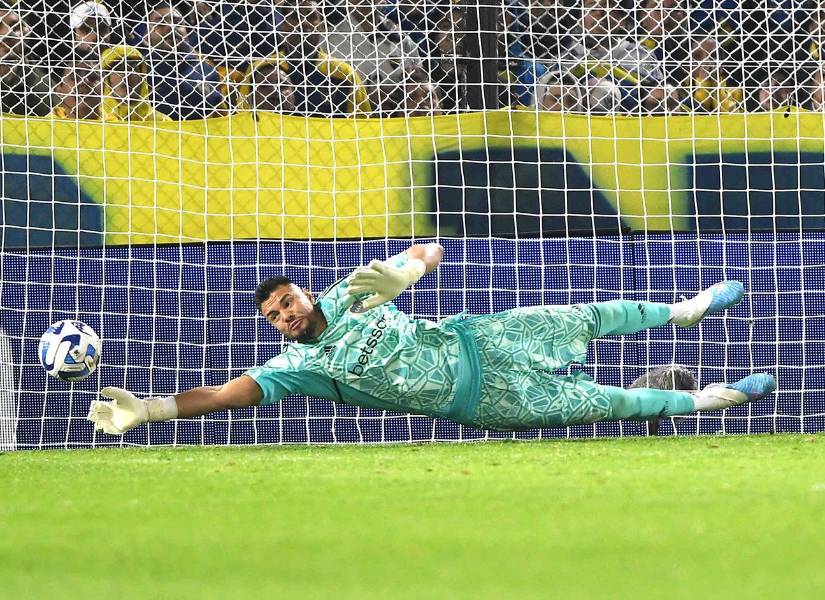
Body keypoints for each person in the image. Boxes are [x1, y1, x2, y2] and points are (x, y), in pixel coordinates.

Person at [88, 243, 777, 436]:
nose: (285, 316)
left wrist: (403, 269)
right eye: (272, 315)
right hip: (479, 403)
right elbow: (227, 392)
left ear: (301, 292)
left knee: (585, 312)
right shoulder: (298, 365)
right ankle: (720, 399)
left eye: (287, 301)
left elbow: (433, 247)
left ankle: (682, 311)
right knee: (611, 405)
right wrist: (153, 409)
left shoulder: (352, 292)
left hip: (478, 339)